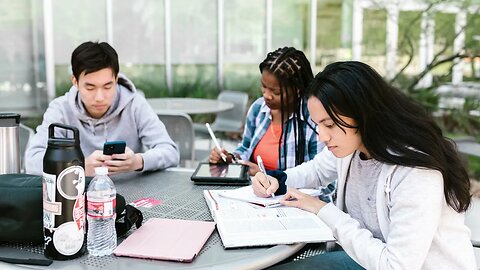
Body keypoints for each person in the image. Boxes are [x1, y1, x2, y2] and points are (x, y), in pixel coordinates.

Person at [252, 61, 477, 269]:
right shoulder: (354, 144)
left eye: (329, 124)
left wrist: (322, 209)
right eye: (318, 124)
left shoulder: (415, 172)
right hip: (367, 259)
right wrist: (276, 180)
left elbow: (396, 266)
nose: (322, 136)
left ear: (362, 114)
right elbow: (316, 170)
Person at [25, 41, 179, 176]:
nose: (99, 97)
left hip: (133, 194)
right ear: (75, 81)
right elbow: (32, 161)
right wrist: (79, 167)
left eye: (107, 86)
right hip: (78, 197)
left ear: (116, 79)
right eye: (90, 87)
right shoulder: (60, 110)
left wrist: (138, 161)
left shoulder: (135, 104)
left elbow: (170, 152)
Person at [209, 47, 322, 175]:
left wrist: (266, 175)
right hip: (250, 190)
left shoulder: (314, 119)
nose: (266, 95)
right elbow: (245, 148)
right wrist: (230, 158)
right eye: (264, 86)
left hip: (289, 194)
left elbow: (321, 178)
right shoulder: (258, 109)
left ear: (297, 89)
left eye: (276, 92)